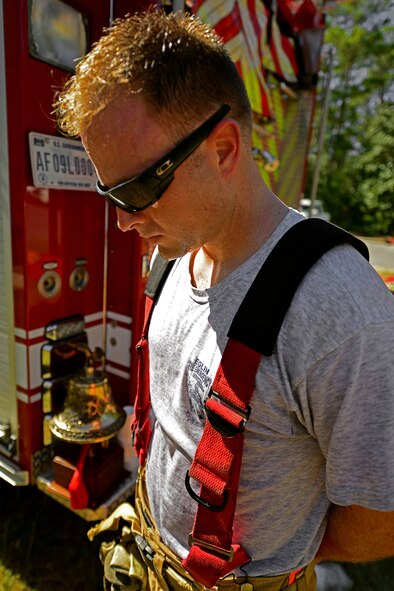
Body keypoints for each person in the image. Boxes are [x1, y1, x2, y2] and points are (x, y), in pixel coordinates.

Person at [55, 9, 394, 591]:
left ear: (224, 149)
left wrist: (273, 565)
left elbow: (380, 520)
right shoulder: (172, 257)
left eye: (139, 189)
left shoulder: (339, 310)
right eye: (111, 193)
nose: (124, 222)